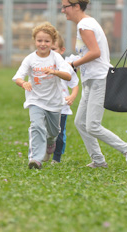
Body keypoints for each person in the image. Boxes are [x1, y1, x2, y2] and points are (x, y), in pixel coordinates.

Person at [61, 0, 127, 169]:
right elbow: (90, 52)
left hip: (99, 79)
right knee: (80, 122)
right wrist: (75, 61)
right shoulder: (85, 24)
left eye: (65, 6)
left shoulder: (85, 26)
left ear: (75, 6)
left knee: (93, 125)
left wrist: (74, 65)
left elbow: (96, 53)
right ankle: (98, 160)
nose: (63, 10)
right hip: (91, 79)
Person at [12, 23, 70, 169]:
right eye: (39, 40)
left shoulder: (56, 58)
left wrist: (55, 72)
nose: (43, 44)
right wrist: (23, 83)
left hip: (54, 102)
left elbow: (68, 76)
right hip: (35, 100)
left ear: (52, 42)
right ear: (34, 41)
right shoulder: (30, 59)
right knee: (36, 126)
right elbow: (18, 77)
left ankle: (50, 142)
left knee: (53, 132)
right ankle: (35, 159)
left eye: (47, 41)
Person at [50, 34, 79, 164]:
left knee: (59, 134)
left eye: (54, 49)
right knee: (43, 131)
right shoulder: (41, 65)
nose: (51, 52)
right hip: (46, 105)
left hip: (62, 106)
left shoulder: (65, 66)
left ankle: (56, 158)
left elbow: (75, 84)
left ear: (62, 50)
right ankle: (41, 152)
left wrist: (72, 96)